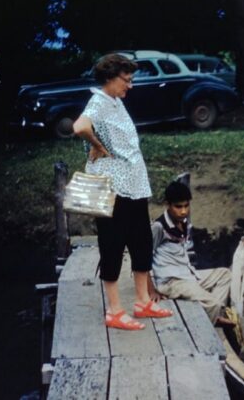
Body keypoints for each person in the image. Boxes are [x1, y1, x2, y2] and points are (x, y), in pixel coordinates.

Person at [73, 53, 172, 331]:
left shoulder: (115, 101)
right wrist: (96, 144)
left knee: (141, 240)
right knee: (113, 243)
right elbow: (79, 126)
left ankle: (142, 301)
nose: (130, 85)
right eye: (126, 80)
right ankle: (115, 310)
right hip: (113, 188)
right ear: (110, 78)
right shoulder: (99, 101)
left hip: (134, 185)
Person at [148, 181, 233, 325]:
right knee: (213, 303)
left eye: (186, 206)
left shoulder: (184, 222)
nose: (183, 211)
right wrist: (151, 291)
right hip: (171, 282)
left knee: (225, 274)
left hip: (189, 274)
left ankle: (213, 313)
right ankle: (210, 324)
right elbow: (141, 258)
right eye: (178, 206)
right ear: (167, 205)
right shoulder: (159, 227)